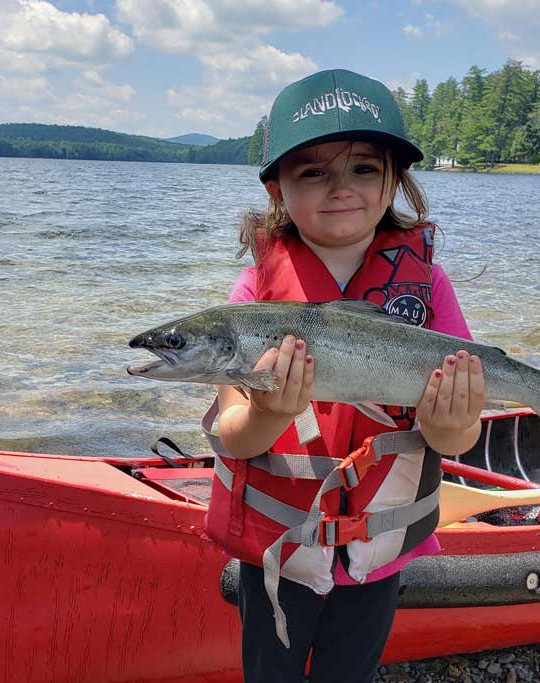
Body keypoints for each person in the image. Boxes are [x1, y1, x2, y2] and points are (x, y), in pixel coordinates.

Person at [204, 69, 486, 683]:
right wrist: (267, 412)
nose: (341, 188)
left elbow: (455, 440)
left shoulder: (429, 286)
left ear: (395, 180)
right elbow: (235, 436)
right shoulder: (252, 294)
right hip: (278, 553)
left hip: (376, 553)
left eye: (363, 168)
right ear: (276, 189)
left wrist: (453, 427)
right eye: (313, 171)